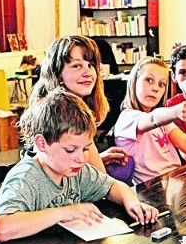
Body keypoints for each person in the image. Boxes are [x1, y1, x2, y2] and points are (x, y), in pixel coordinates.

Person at [0, 88, 158, 242]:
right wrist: (65, 212)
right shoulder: (25, 179)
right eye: (71, 150)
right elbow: (2, 228)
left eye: (86, 148)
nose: (81, 158)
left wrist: (133, 203)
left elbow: (112, 186)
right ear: (42, 143)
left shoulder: (76, 171)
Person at [29, 35, 134, 182]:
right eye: (77, 66)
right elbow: (102, 183)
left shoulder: (76, 108)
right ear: (57, 74)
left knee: (126, 164)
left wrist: (96, 158)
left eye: (91, 65)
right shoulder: (60, 114)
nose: (88, 72)